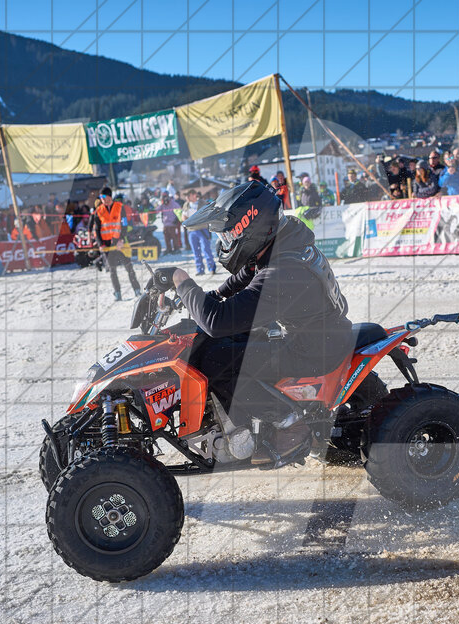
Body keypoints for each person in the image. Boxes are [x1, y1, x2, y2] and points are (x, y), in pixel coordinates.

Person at [151, 181, 354, 465]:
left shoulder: (284, 271)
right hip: (316, 336)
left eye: (228, 236)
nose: (226, 243)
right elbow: (244, 277)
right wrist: (204, 297)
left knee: (216, 356)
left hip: (314, 351)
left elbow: (216, 321)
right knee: (219, 342)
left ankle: (290, 424)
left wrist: (181, 280)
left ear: (251, 226)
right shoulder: (284, 243)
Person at [89, 186, 142, 301]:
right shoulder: (99, 211)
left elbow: (124, 225)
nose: (103, 199)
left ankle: (137, 290)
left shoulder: (120, 207)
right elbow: (96, 230)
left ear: (109, 196)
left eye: (104, 196)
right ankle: (117, 293)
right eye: (101, 197)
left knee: (129, 267)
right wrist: (100, 245)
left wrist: (121, 240)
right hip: (107, 246)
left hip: (120, 243)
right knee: (112, 270)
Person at [182, 189, 215, 275]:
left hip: (202, 229)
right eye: (186, 196)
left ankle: (211, 268)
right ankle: (200, 269)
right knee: (195, 251)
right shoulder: (186, 205)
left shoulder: (203, 203)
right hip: (191, 231)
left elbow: (209, 214)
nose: (186, 198)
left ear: (194, 195)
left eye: (188, 195)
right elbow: (183, 217)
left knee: (206, 249)